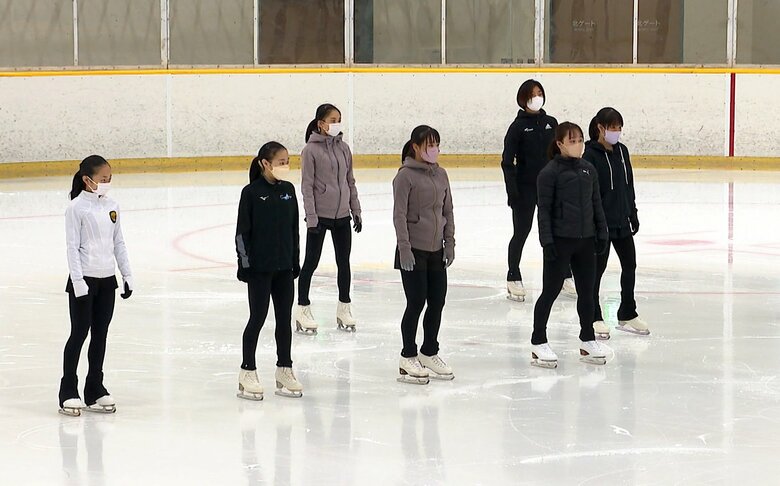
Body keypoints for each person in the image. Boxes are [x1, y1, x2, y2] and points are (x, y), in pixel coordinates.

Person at [530, 123, 609, 369]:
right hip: (560, 242)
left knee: (587, 292)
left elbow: (596, 203)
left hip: (586, 240)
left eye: (580, 140)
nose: (578, 145)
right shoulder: (549, 173)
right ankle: (538, 340)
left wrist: (602, 232)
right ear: (560, 144)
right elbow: (543, 211)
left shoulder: (588, 169)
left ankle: (587, 339)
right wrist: (547, 242)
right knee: (550, 291)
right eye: (572, 141)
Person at [59, 155, 133, 416]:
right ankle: (68, 390)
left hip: (107, 280)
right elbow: (72, 247)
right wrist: (78, 281)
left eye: (109, 178)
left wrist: (126, 274)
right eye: (103, 179)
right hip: (84, 280)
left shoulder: (112, 206)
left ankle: (94, 388)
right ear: (87, 179)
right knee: (79, 334)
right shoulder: (76, 208)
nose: (107, 183)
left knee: (100, 335)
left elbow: (118, 242)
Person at [235, 142, 303, 399]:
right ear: (265, 163)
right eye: (280, 162)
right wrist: (245, 265)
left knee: (284, 319)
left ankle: (284, 368)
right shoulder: (251, 193)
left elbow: (294, 230)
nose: (285, 166)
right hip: (260, 270)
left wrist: (295, 260)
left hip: (284, 268)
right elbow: (242, 234)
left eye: (288, 161)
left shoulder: (289, 190)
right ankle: (247, 371)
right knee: (258, 318)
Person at [501, 79, 576, 302]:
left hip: (551, 187)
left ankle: (565, 275)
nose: (537, 97)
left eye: (540, 93)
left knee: (557, 231)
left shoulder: (551, 123)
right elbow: (507, 162)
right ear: (523, 99)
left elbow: (562, 153)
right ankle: (513, 276)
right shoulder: (517, 128)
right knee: (522, 231)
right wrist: (512, 191)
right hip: (525, 188)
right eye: (533, 94)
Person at [392, 125, 456, 384]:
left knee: (437, 301)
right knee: (416, 302)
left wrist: (449, 243)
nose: (434, 149)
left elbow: (447, 210)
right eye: (429, 145)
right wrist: (404, 248)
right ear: (416, 147)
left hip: (436, 250)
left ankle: (429, 351)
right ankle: (408, 355)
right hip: (413, 250)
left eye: (437, 144)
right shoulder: (405, 177)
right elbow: (399, 215)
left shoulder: (441, 174)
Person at [583, 107, 650, 339]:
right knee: (596, 271)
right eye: (613, 128)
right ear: (600, 128)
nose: (617, 132)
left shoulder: (622, 151)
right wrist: (594, 222)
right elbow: (589, 193)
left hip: (622, 221)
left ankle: (627, 312)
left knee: (629, 265)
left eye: (619, 128)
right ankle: (593, 315)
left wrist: (633, 211)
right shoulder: (589, 156)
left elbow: (628, 184)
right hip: (601, 224)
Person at [295, 103, 362, 334]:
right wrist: (311, 218)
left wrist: (356, 210)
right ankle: (302, 308)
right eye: (333, 120)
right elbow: (307, 186)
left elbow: (350, 181)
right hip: (320, 217)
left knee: (344, 262)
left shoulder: (344, 149)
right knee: (311, 263)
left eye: (338, 120)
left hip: (342, 215)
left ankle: (344, 308)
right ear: (321, 124)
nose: (337, 124)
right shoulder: (310, 151)